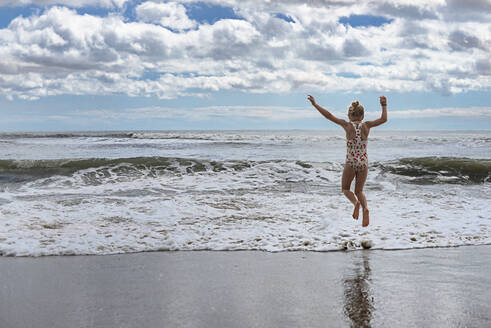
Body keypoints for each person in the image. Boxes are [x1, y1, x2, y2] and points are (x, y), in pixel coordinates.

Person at [307, 95, 388, 227]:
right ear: (362, 116)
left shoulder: (346, 125)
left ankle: (355, 203)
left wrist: (315, 105)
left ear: (349, 115)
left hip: (351, 163)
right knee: (359, 191)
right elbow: (384, 119)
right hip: (363, 163)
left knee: (345, 189)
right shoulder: (367, 125)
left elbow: (329, 116)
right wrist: (384, 105)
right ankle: (365, 208)